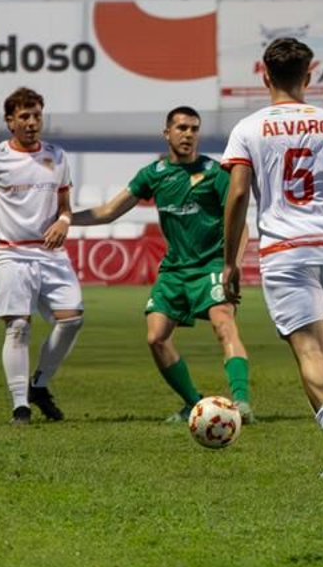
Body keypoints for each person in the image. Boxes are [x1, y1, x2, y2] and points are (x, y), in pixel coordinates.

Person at [220, 38, 323, 478]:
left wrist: (229, 261)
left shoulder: (249, 129)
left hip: (286, 252)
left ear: (265, 77)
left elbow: (238, 193)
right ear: (309, 77)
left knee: (310, 350)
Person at [70, 106, 254, 423]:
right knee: (156, 338)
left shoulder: (215, 172)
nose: (188, 134)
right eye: (181, 127)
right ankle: (195, 405)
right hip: (174, 271)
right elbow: (108, 212)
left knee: (223, 322)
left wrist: (232, 266)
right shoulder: (153, 175)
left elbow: (242, 226)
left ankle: (242, 403)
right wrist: (65, 219)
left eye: (194, 128)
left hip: (212, 265)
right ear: (166, 132)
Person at [0, 87, 83, 425]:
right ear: (10, 122)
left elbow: (67, 208)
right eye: (24, 116)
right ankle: (20, 406)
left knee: (72, 319)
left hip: (51, 253)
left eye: (37, 115)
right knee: (19, 328)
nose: (32, 122)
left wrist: (65, 222)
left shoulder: (58, 156)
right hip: (12, 255)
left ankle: (39, 385)